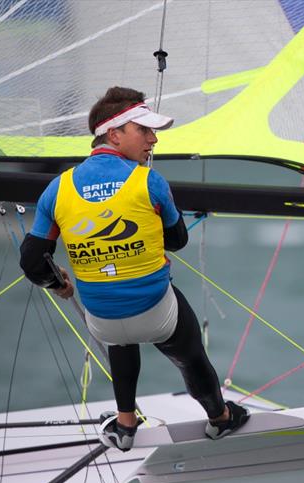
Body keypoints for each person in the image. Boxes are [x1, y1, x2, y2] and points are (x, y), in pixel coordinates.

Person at [20, 87, 249, 450]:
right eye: (144, 131)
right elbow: (177, 240)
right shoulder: (150, 181)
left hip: (101, 319)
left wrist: (57, 281)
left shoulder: (57, 188)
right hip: (156, 312)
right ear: (114, 134)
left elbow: (32, 262)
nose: (154, 139)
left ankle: (125, 427)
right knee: (190, 354)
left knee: (119, 330)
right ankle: (220, 418)